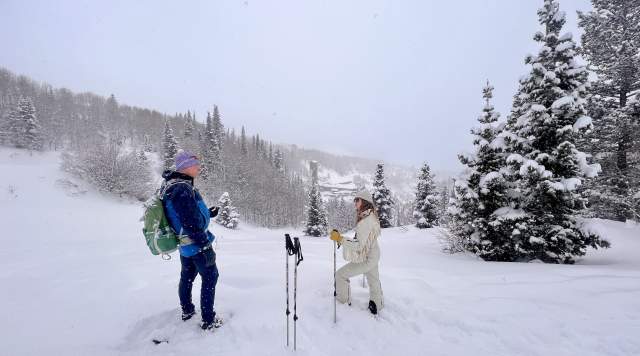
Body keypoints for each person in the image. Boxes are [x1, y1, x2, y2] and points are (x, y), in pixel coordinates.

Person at [162, 150, 222, 330]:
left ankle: (187, 310)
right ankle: (209, 320)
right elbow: (189, 221)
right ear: (186, 167)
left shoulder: (174, 185)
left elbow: (186, 214)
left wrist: (207, 213)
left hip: (185, 244)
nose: (198, 168)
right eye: (195, 164)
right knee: (211, 276)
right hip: (196, 244)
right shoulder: (181, 188)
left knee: (187, 277)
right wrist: (204, 245)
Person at [329, 190, 384, 315]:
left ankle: (342, 302)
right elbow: (364, 240)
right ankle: (377, 303)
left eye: (357, 200)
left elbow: (359, 245)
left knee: (341, 275)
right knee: (373, 280)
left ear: (364, 201)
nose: (355, 203)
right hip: (374, 254)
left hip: (367, 258)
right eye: (354, 200)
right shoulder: (370, 215)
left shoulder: (366, 221)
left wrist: (340, 238)